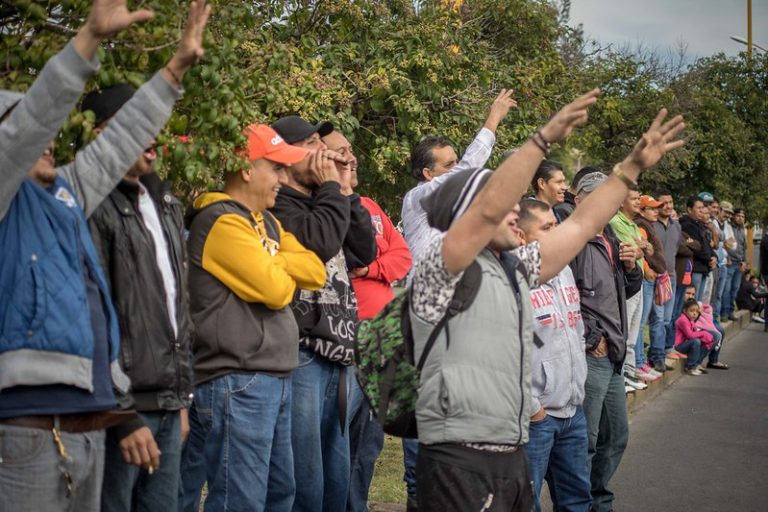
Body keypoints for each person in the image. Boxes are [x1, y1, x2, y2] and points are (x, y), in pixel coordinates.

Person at [410, 89, 684, 512]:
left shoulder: (513, 266)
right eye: (505, 209)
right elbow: (490, 208)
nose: (515, 214)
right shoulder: (445, 266)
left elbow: (580, 224)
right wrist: (541, 140)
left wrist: (630, 168)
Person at [0, 0, 207, 510]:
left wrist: (175, 68)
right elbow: (34, 121)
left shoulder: (66, 195)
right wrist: (89, 39)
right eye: (25, 128)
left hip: (88, 420)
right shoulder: (7, 198)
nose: (47, 138)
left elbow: (119, 143)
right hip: (27, 424)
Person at [182, 124, 326, 510]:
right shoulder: (221, 220)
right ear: (246, 169)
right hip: (238, 378)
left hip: (270, 375)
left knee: (280, 493)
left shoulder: (268, 223)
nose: (283, 178)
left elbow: (315, 271)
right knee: (240, 498)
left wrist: (270, 258)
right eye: (276, 168)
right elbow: (277, 291)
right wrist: (279, 262)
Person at [399, 89, 517, 509]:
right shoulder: (419, 198)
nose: (456, 169)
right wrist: (491, 121)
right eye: (447, 164)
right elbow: (467, 172)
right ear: (428, 174)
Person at [270, 115, 377, 512]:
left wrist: (346, 191)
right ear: (285, 157)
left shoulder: (326, 198)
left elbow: (364, 251)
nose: (324, 151)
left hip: (338, 352)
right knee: (306, 479)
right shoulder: (277, 204)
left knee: (335, 477)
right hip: (302, 353)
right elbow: (319, 241)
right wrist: (332, 189)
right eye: (312, 143)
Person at [321, 128, 413, 512]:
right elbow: (351, 257)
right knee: (340, 439)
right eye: (341, 152)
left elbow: (402, 258)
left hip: (382, 340)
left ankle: (355, 505)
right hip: (347, 337)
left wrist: (372, 269)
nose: (352, 157)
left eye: (351, 149)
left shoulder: (371, 206)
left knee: (369, 443)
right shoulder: (326, 207)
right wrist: (376, 263)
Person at [518, 199, 591, 512]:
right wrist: (533, 409)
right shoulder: (513, 279)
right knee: (525, 503)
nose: (557, 233)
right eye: (547, 228)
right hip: (536, 420)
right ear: (521, 236)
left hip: (573, 413)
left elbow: (576, 330)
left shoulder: (564, 272)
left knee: (578, 500)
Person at [609, 189, 658, 386]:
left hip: (638, 281)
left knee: (634, 331)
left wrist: (642, 248)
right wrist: (642, 248)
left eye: (639, 198)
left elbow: (648, 250)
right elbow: (630, 252)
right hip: (627, 283)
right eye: (634, 199)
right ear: (621, 202)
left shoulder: (633, 225)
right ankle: (622, 376)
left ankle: (629, 373)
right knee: (626, 330)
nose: (638, 202)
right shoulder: (616, 222)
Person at [633, 195, 669, 375]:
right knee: (640, 323)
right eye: (652, 208)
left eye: (657, 208)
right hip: (646, 278)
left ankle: (640, 360)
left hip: (651, 277)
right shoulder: (641, 225)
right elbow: (641, 251)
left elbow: (651, 250)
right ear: (641, 210)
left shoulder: (648, 225)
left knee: (642, 321)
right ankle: (638, 362)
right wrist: (647, 269)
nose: (656, 211)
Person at [650, 188, 684, 367]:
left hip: (671, 276)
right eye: (664, 203)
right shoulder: (651, 224)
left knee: (667, 318)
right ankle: (657, 357)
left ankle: (660, 351)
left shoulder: (676, 225)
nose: (668, 206)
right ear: (657, 204)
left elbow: (675, 249)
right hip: (656, 276)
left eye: (671, 202)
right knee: (657, 318)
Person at [679, 196, 716, 302]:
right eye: (698, 208)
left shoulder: (700, 225)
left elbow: (707, 245)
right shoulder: (686, 225)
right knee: (691, 301)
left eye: (702, 208)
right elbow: (696, 248)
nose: (702, 211)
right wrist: (709, 259)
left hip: (704, 267)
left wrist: (714, 256)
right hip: (695, 267)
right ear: (690, 209)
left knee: (699, 302)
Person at [674, 300, 715, 376]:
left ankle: (695, 364)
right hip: (679, 346)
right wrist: (703, 333)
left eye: (696, 311)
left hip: (686, 343)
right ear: (684, 311)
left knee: (705, 340)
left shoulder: (690, 319)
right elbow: (690, 335)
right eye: (692, 311)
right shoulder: (683, 320)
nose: (695, 313)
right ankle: (690, 367)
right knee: (696, 341)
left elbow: (694, 332)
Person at [722, 208, 748, 322]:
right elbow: (725, 244)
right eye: (738, 216)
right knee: (726, 289)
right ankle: (724, 313)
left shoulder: (742, 229)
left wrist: (744, 262)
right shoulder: (728, 227)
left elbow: (744, 248)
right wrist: (727, 257)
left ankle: (731, 312)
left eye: (742, 217)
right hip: (729, 262)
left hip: (739, 264)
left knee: (735, 289)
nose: (740, 218)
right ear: (733, 216)